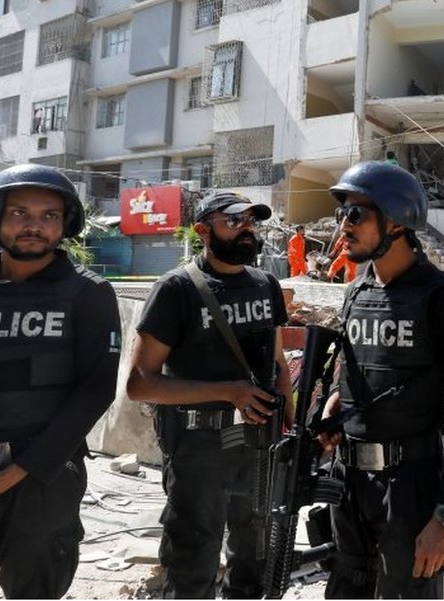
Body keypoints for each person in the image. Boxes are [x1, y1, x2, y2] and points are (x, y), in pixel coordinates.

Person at [0, 164, 121, 599]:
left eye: (49, 215)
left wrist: (10, 475)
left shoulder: (88, 293)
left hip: (37, 483)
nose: (34, 225)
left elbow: (95, 393)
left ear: (64, 224)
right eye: (20, 213)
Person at [319, 160, 444, 598]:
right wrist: (335, 400)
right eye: (341, 214)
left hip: (409, 487)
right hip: (349, 484)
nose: (343, 226)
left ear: (395, 221)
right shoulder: (357, 289)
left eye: (356, 214)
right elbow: (355, 367)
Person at [126, 191, 292, 598]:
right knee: (193, 561)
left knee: (256, 559)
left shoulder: (265, 284)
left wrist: (289, 425)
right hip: (197, 446)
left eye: (251, 223)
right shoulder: (177, 289)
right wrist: (228, 392)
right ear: (202, 230)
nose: (247, 231)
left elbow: (278, 362)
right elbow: (139, 384)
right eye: (234, 222)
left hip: (258, 444)